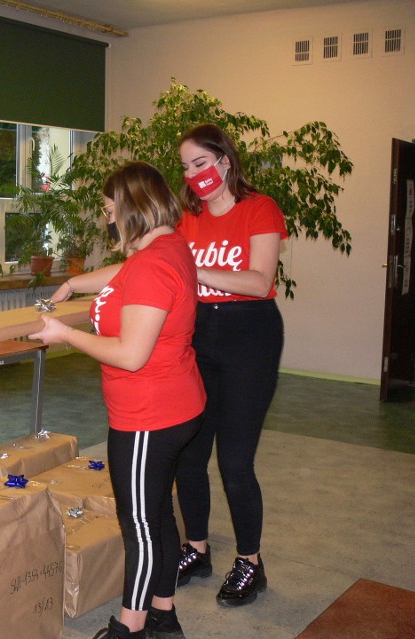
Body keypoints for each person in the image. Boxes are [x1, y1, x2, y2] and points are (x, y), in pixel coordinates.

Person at [29, 161, 205, 639]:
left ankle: (130, 627)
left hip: (149, 414)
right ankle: (164, 617)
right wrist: (73, 284)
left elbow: (130, 354)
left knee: (140, 526)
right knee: (158, 515)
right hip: (173, 405)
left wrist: (64, 333)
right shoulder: (168, 245)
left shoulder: (153, 264)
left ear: (131, 208)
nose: (108, 220)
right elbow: (124, 274)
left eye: (110, 210)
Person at [172, 123, 288, 607]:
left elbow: (260, 281)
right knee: (189, 455)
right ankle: (196, 549)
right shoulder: (186, 218)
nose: (194, 174)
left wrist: (191, 268)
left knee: (235, 461)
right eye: (185, 167)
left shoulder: (259, 209)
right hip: (199, 336)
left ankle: (250, 563)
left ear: (224, 160)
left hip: (249, 335)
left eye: (201, 163)